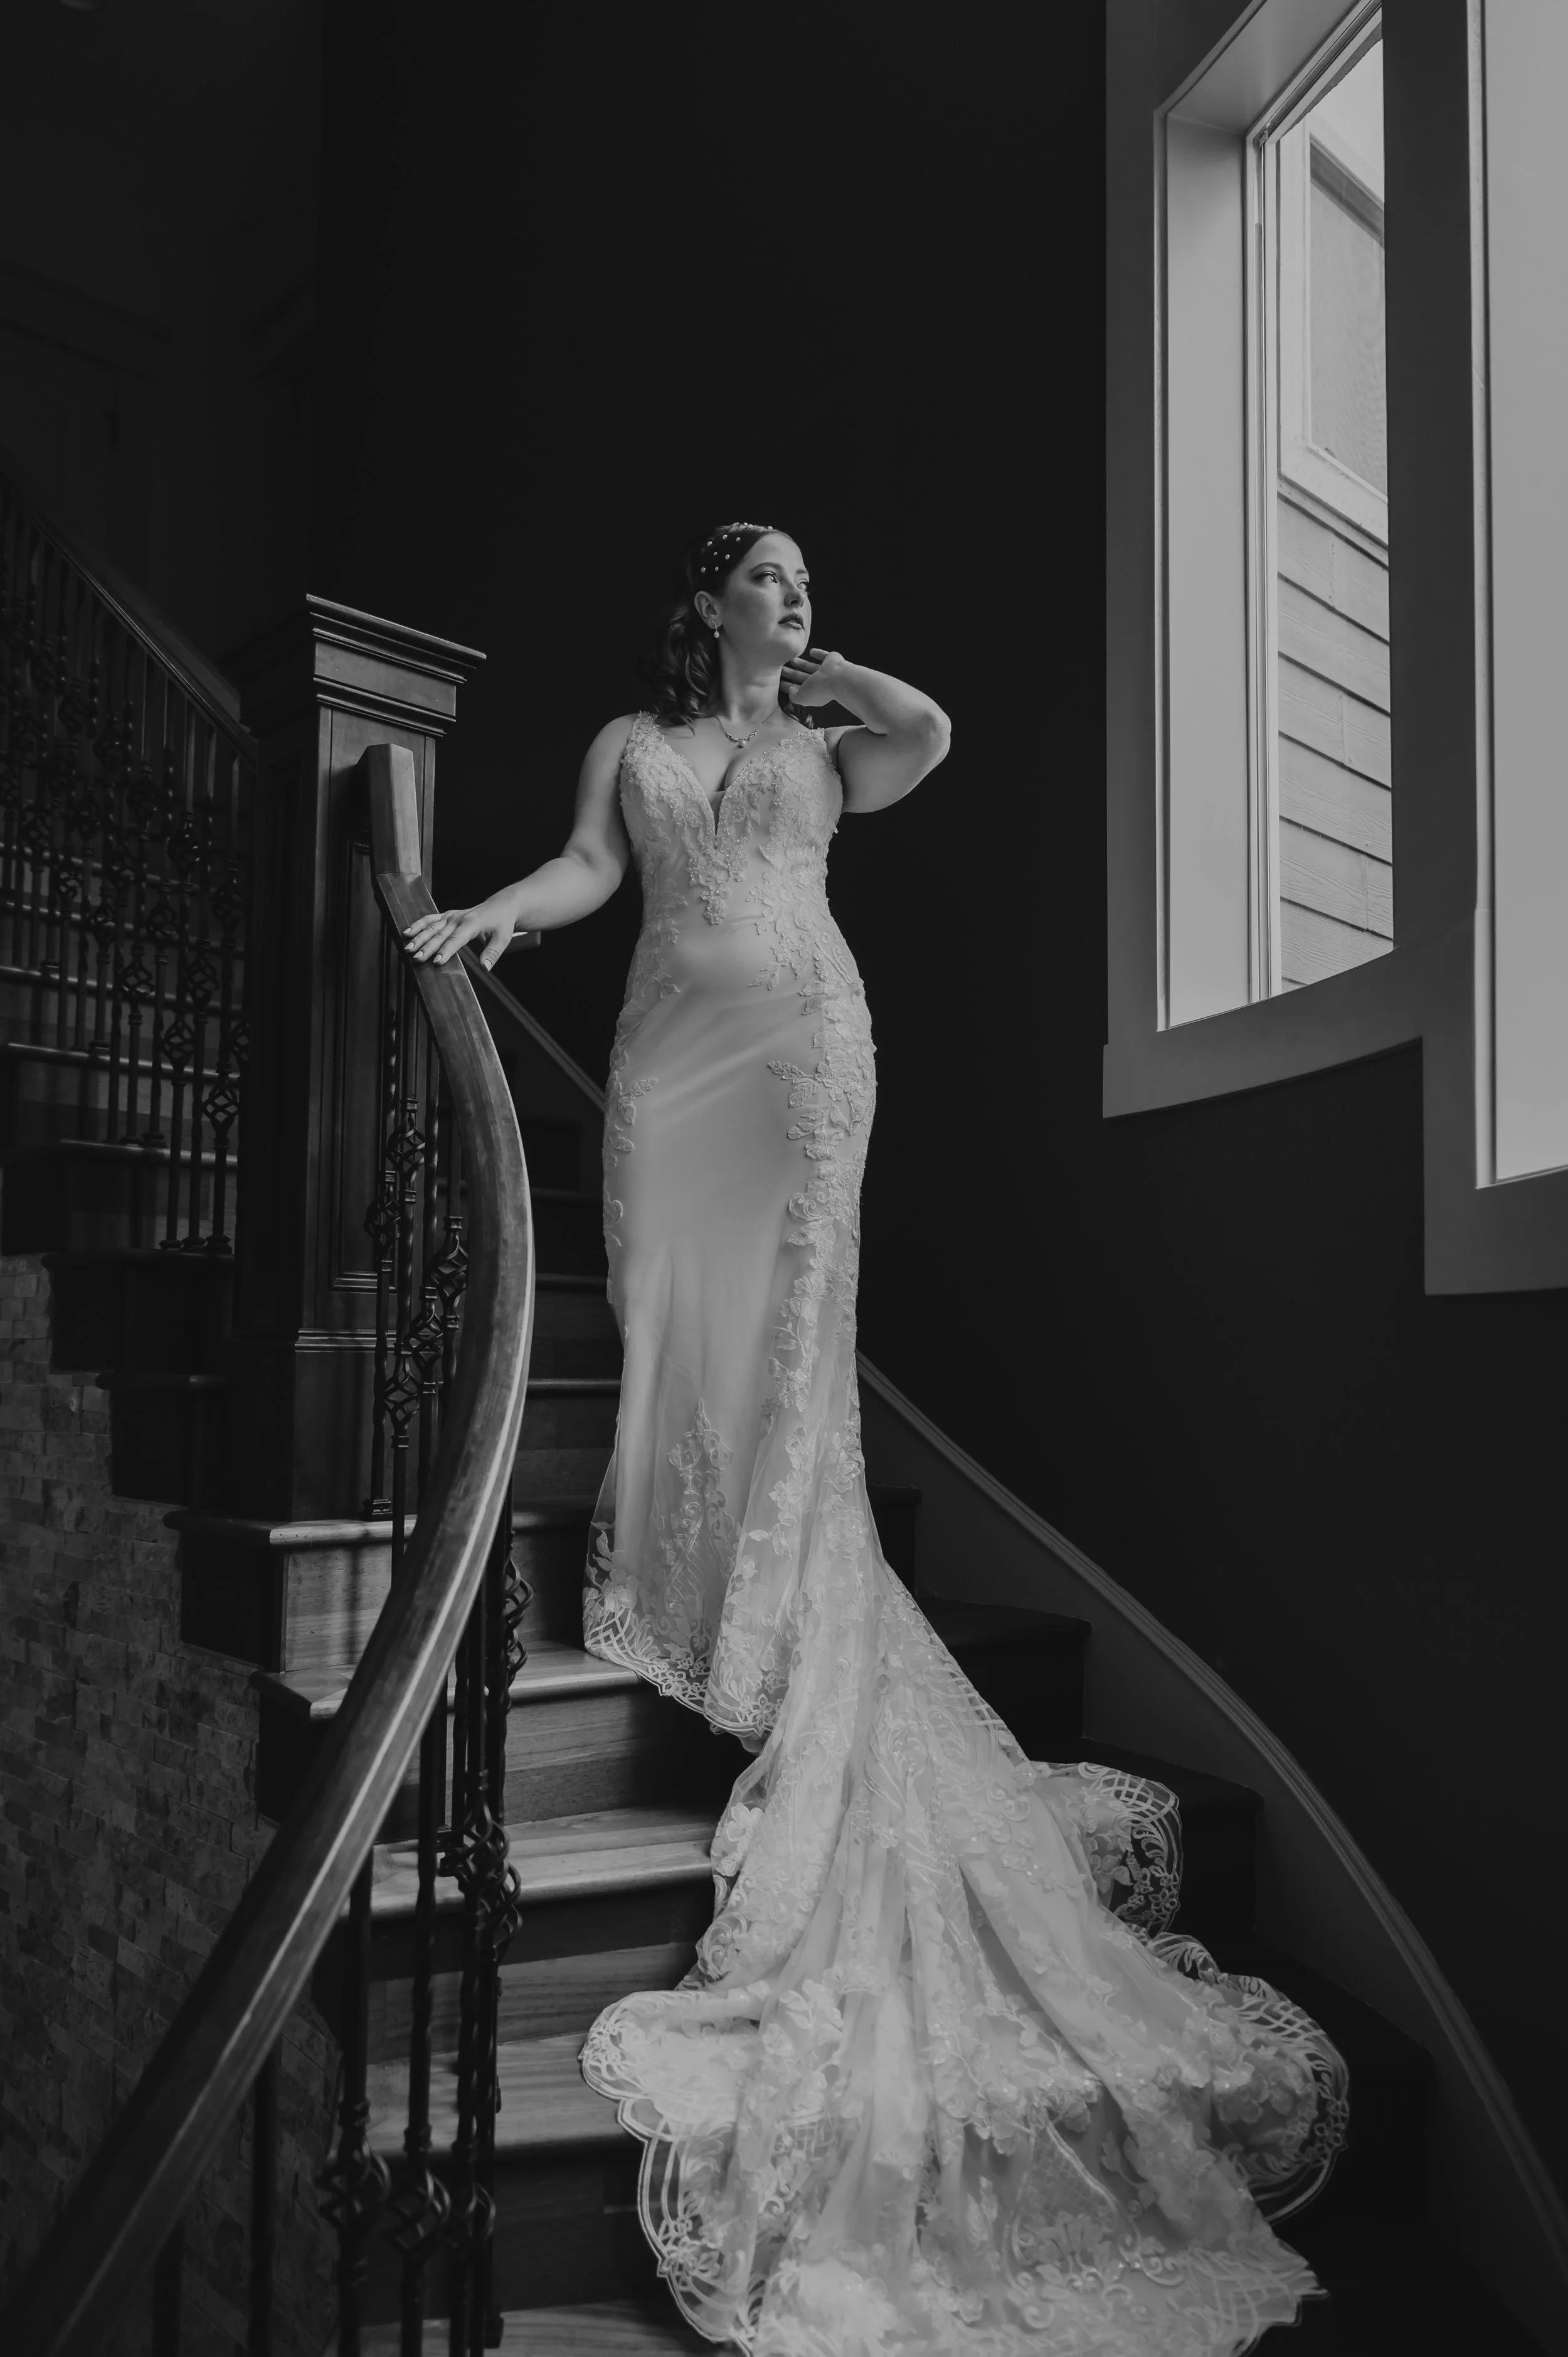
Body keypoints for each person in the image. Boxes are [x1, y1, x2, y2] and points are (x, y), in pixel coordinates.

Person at [405, 522, 1345, 2356]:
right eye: (773, 580)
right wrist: (508, 909)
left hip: (807, 1047)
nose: (798, 596)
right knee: (672, 1312)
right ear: (701, 602)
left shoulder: (832, 747)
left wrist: (826, 681)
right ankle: (681, 1566)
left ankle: (776, 1603)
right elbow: (602, 865)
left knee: (788, 1336)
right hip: (671, 1051)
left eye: (808, 582)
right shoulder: (633, 741)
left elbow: (930, 732)